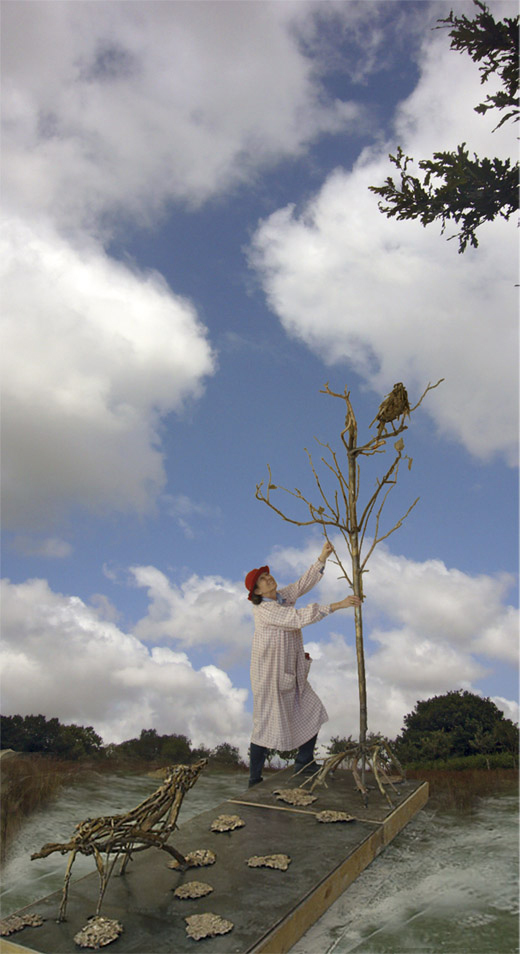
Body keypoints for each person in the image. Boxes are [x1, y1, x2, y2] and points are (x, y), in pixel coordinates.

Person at [245, 541, 361, 787]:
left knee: (312, 709)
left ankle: (304, 762)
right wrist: (337, 605)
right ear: (256, 592)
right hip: (269, 676)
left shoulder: (280, 597)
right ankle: (254, 779)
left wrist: (323, 557)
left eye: (267, 575)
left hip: (289, 671)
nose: (268, 579)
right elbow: (297, 618)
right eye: (262, 580)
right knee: (265, 725)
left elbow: (301, 584)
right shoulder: (265, 610)